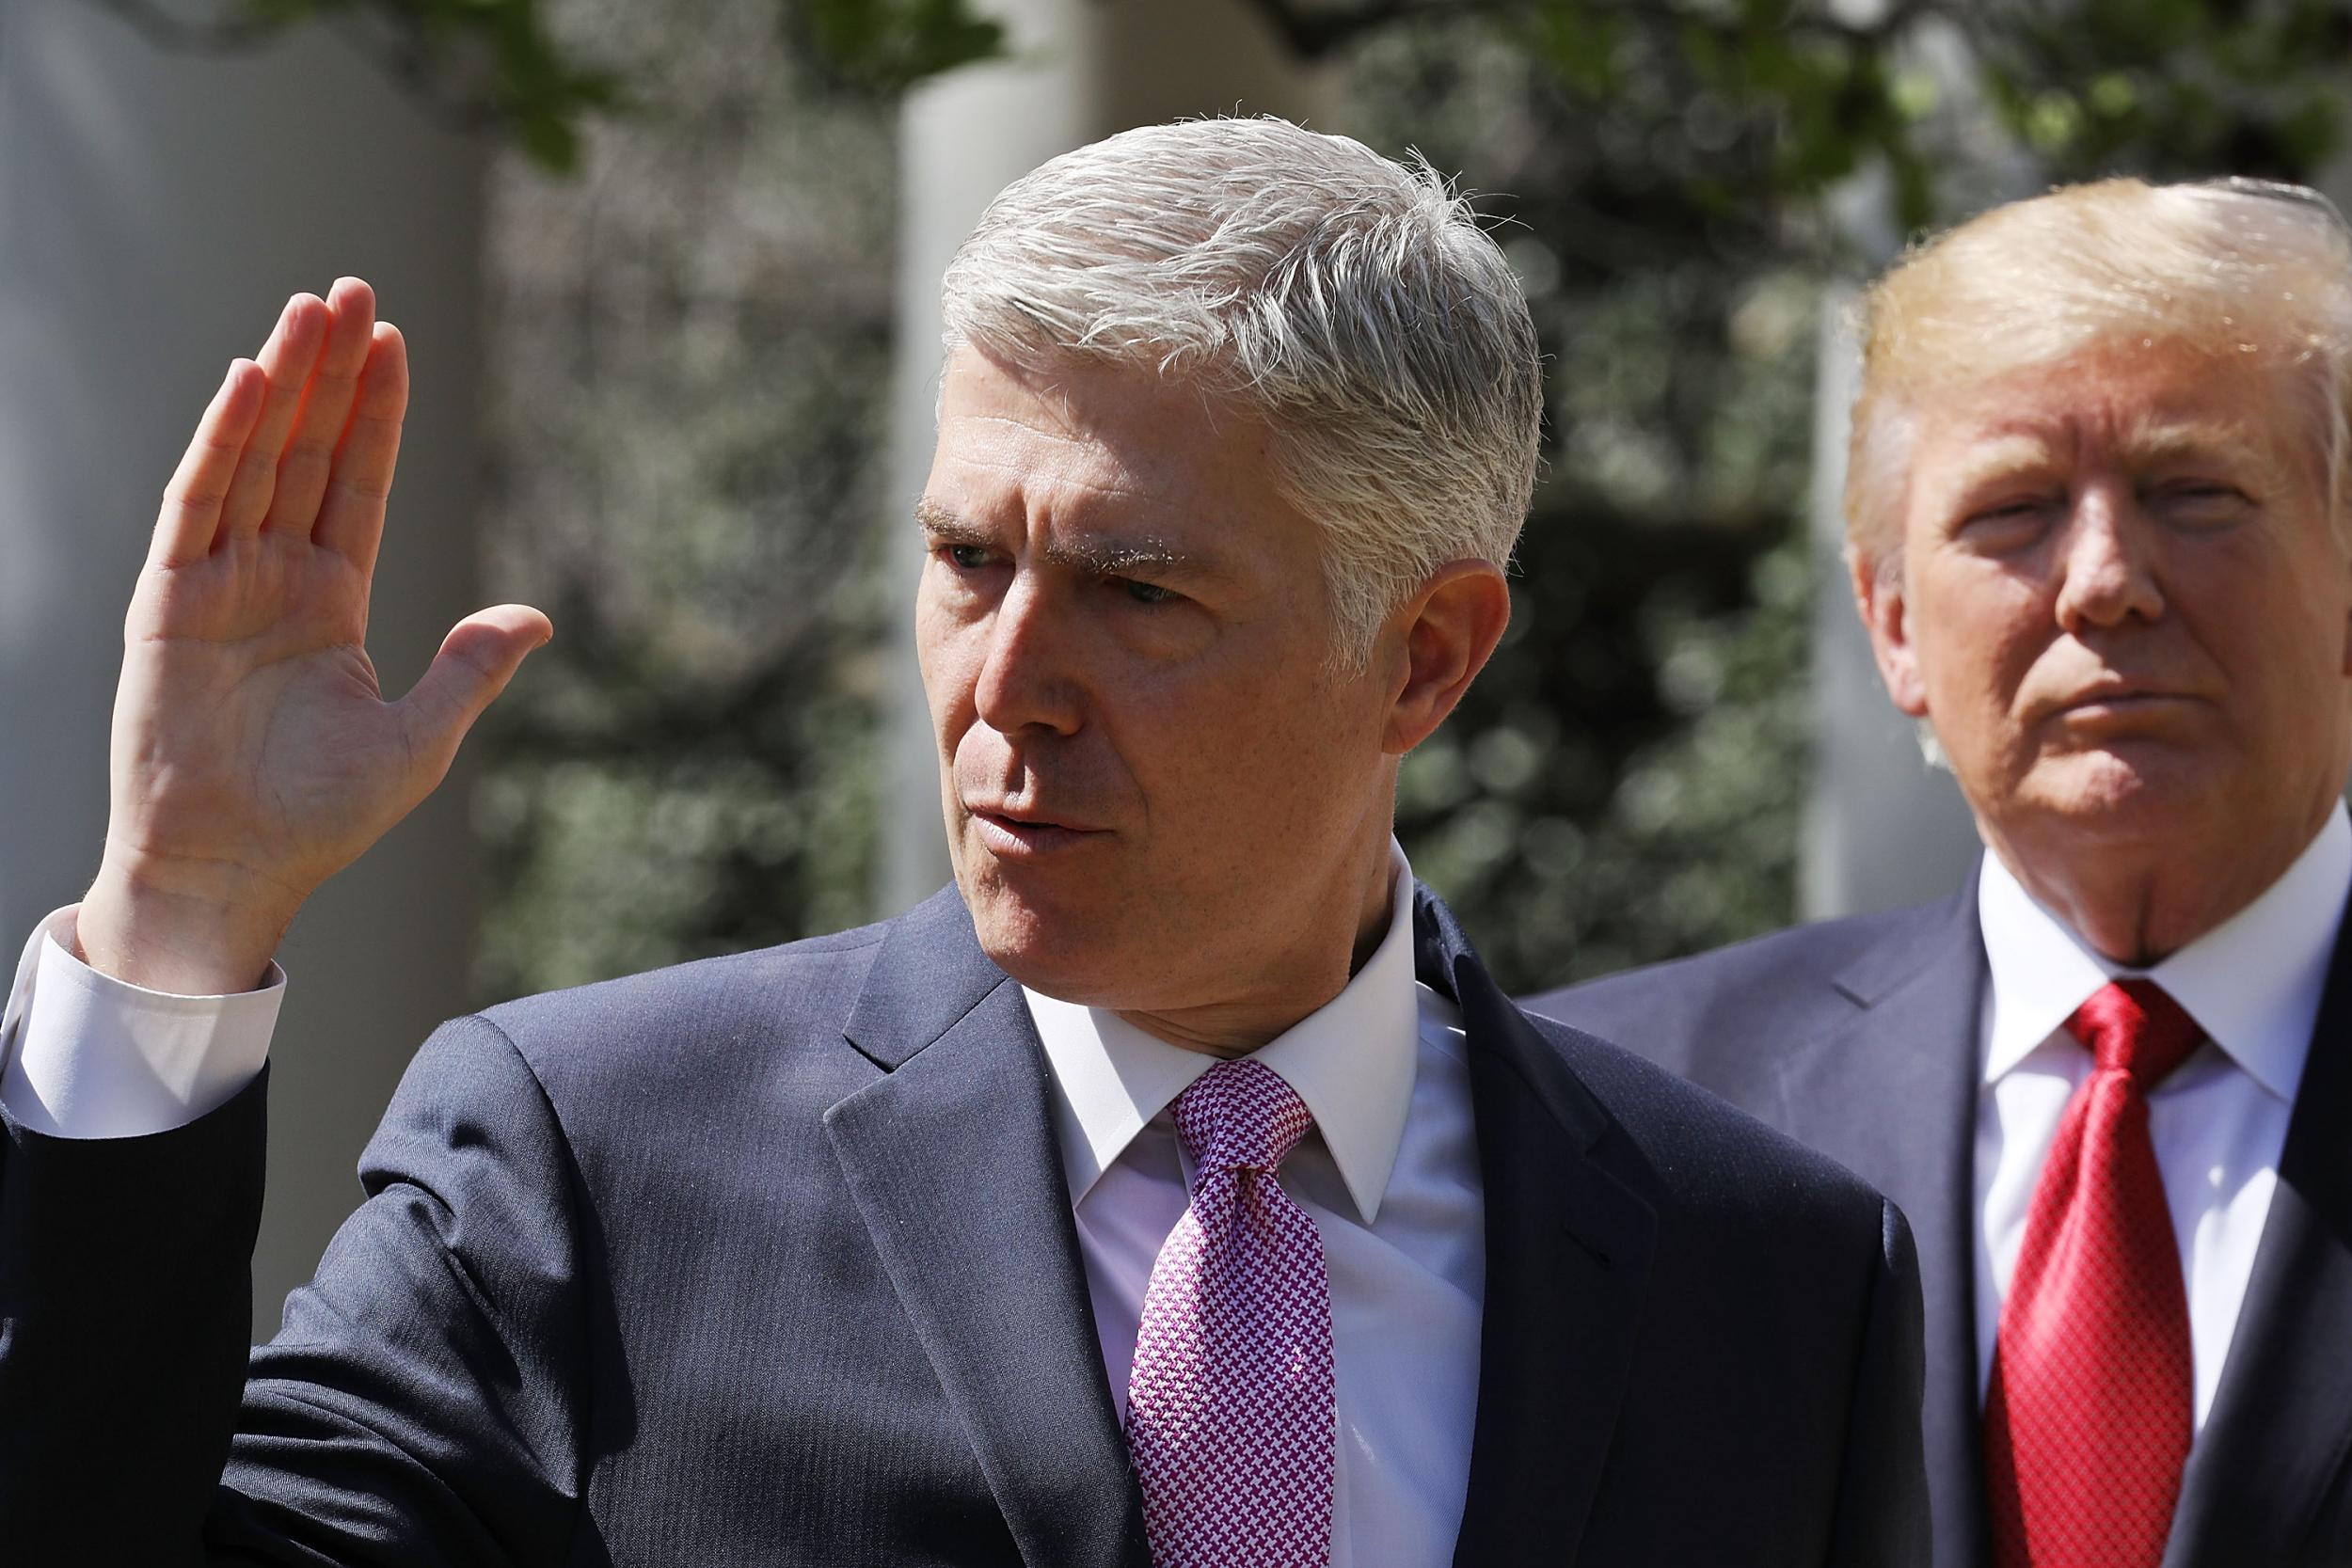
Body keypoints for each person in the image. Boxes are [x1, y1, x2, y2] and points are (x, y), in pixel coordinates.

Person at [0, 118, 1926, 1565]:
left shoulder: (1762, 1274)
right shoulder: (593, 1158)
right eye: (963, 562)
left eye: (1135, 591)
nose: (1005, 682)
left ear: (1420, 656)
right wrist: (178, 915)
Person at [1531, 176, 2352, 1568]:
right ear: (1893, 625)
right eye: (2013, 511)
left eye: (2195, 492)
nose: (2105, 581)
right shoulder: (1607, 1122)